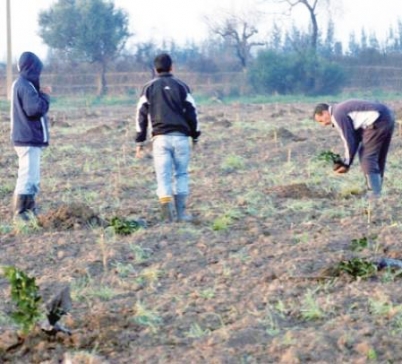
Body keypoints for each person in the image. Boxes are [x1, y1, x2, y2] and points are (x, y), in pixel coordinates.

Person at [135, 53, 200, 222]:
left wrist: (140, 141)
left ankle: (166, 216)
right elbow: (192, 112)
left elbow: (141, 115)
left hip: (160, 139)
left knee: (163, 176)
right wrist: (195, 136)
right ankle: (181, 214)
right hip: (181, 138)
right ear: (172, 67)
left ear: (155, 69)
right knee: (181, 174)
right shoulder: (182, 86)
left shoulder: (148, 88)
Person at [313, 99, 395, 199]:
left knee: (366, 155)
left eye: (321, 120)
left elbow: (349, 140)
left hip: (377, 120)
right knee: (377, 156)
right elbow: (355, 138)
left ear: (325, 112)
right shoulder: (341, 109)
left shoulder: (337, 114)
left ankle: (374, 193)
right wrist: (345, 162)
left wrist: (346, 163)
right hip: (386, 116)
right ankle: (376, 190)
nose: (323, 124)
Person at [10, 51, 51, 221]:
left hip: (26, 137)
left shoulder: (21, 84)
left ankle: (28, 209)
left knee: (31, 175)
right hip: (27, 138)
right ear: (32, 68)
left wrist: (39, 93)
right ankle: (21, 213)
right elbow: (35, 109)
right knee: (28, 175)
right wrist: (45, 95)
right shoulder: (25, 85)